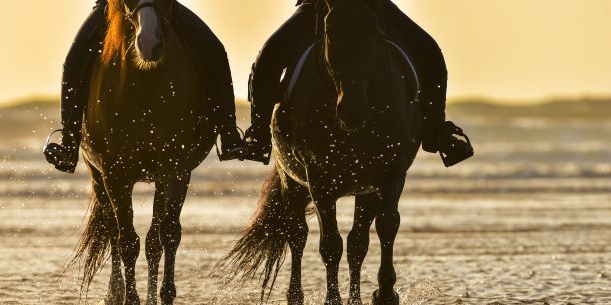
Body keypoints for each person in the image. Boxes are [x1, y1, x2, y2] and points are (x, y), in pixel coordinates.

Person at [242, 0, 474, 167]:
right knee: (268, 57)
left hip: (375, 6)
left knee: (430, 53)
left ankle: (437, 132)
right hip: (318, 6)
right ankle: (259, 135)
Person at [44, 0, 243, 174]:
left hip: (163, 5)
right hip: (115, 5)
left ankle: (228, 132)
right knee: (73, 62)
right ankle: (69, 141)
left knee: (216, 52)